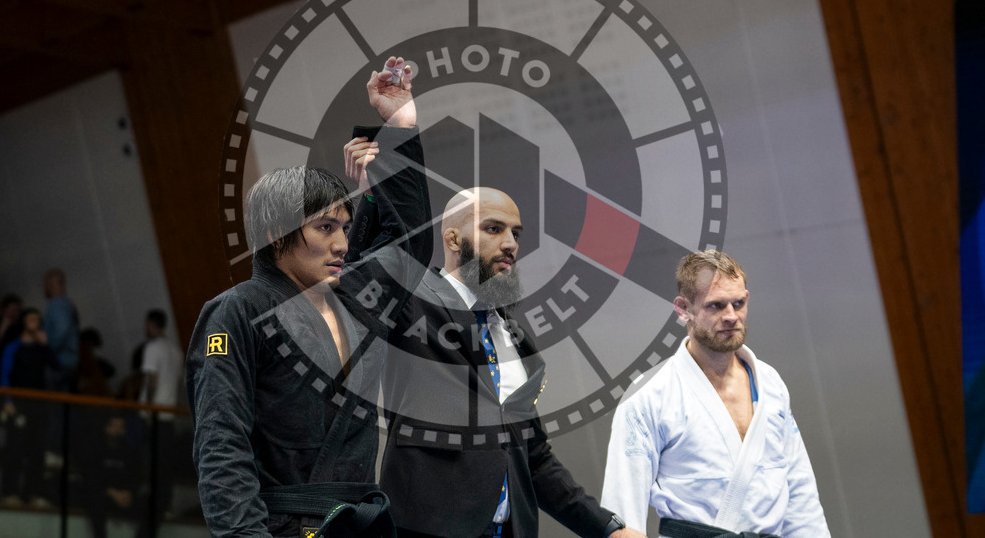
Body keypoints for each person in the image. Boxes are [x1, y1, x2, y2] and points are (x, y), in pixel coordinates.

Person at [186, 56, 432, 537]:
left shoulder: (355, 300)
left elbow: (410, 249)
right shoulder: (236, 311)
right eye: (325, 228)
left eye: (344, 227)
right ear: (277, 234)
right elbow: (221, 443)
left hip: (359, 525)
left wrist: (400, 127)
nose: (342, 243)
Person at [341, 173, 643, 537]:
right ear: (453, 238)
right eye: (494, 229)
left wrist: (608, 529)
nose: (510, 243)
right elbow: (364, 276)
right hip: (426, 530)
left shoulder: (514, 338)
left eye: (515, 233)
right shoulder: (412, 304)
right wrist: (378, 194)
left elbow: (534, 457)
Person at [600, 251, 830, 537]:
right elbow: (623, 510)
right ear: (683, 309)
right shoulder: (648, 397)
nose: (731, 316)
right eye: (716, 306)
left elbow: (799, 491)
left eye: (739, 303)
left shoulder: (770, 383)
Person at [0, 308, 58, 507]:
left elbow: (56, 365)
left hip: (38, 404)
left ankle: (33, 492)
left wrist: (46, 345)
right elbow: (5, 374)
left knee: (37, 450)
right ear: (24, 322)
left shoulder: (41, 347)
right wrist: (7, 401)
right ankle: (9, 491)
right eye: (32, 319)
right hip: (18, 403)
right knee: (14, 447)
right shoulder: (14, 346)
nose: (36, 323)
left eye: (39, 321)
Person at [137, 309, 182, 518]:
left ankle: (151, 505)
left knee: (149, 462)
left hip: (154, 413)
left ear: (151, 325)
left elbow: (152, 381)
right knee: (164, 465)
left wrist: (147, 409)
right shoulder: (176, 351)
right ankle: (165, 506)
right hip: (169, 414)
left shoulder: (153, 348)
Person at [43, 268, 80, 392]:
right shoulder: (67, 304)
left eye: (48, 284)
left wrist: (49, 346)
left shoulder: (57, 304)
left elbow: (62, 330)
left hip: (59, 361)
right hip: (70, 360)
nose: (46, 288)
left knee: (56, 403)